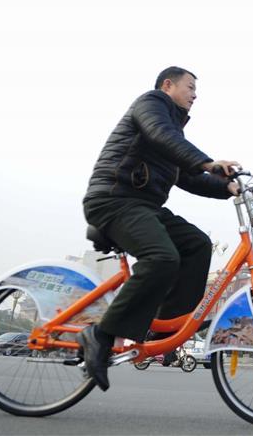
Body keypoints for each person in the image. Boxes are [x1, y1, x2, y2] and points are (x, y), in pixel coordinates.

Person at [79, 66, 240, 390]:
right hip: (113, 199)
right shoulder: (150, 105)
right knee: (162, 257)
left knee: (196, 244)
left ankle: (166, 330)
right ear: (168, 85)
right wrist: (208, 161)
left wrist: (227, 188)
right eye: (190, 87)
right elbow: (161, 136)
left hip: (144, 207)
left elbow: (190, 177)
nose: (195, 95)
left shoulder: (172, 134)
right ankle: (100, 334)